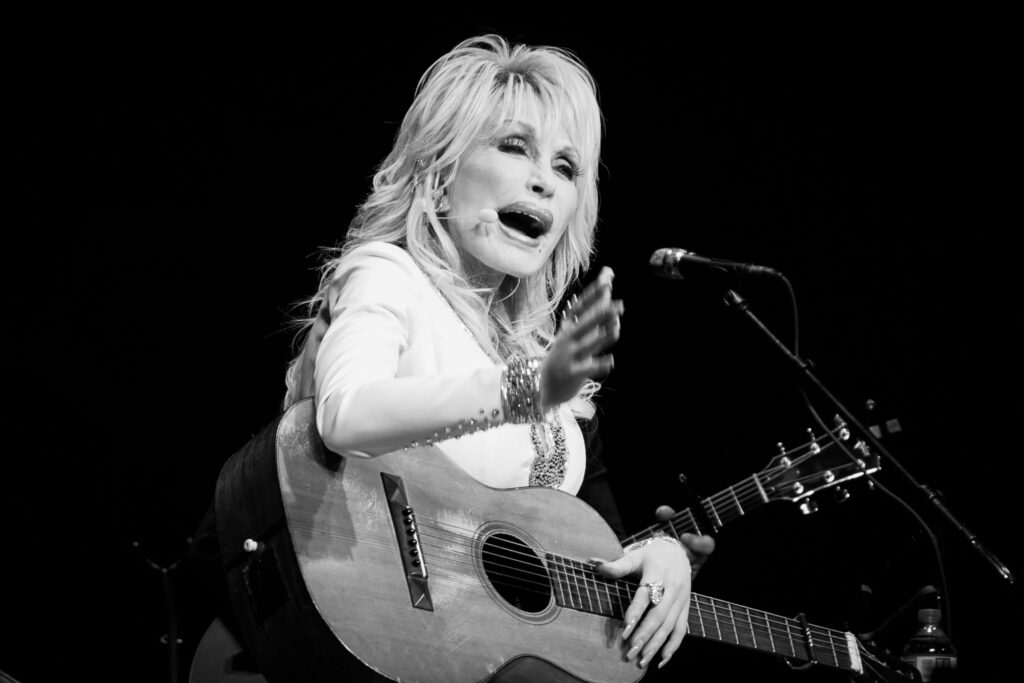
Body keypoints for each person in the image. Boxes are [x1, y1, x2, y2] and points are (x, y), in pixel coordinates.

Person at [188, 34, 714, 676]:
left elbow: (594, 555)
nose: (544, 181)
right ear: (440, 175)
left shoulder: (566, 390)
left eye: (566, 167)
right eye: (515, 147)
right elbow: (345, 416)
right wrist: (527, 387)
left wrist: (662, 557)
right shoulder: (389, 276)